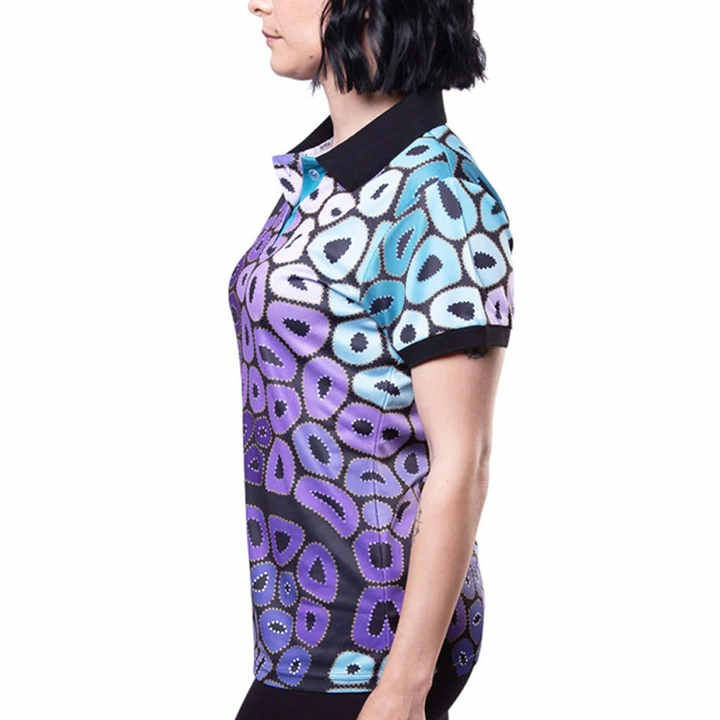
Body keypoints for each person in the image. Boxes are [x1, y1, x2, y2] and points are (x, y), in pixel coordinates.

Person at [228, 1, 514, 718]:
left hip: (370, 639)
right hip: (300, 631)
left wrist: (404, 687)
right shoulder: (325, 174)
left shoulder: (439, 195)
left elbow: (465, 460)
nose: (256, 2)